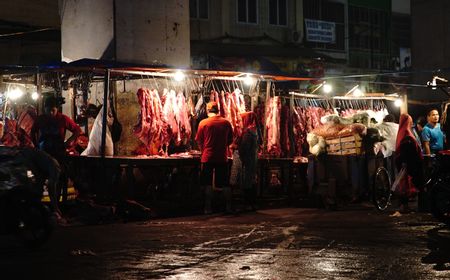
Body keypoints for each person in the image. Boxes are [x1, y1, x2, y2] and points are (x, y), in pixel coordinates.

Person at [31, 96, 82, 214]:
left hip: (58, 154)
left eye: (53, 110)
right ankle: (40, 207)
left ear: (57, 109)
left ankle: (57, 206)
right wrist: (36, 145)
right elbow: (33, 131)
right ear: (44, 108)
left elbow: (77, 130)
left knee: (57, 179)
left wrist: (68, 142)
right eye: (48, 110)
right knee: (40, 179)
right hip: (43, 154)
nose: (50, 112)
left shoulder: (63, 119)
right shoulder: (41, 119)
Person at [195, 101, 233, 214]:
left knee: (207, 183)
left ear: (207, 111)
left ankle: (208, 208)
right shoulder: (226, 123)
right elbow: (230, 140)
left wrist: (204, 150)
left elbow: (199, 140)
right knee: (225, 183)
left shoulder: (203, 123)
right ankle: (229, 207)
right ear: (218, 110)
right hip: (222, 157)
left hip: (207, 157)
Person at [395, 114, 424, 213]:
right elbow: (407, 149)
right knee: (408, 183)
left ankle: (404, 206)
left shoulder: (401, 132)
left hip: (403, 162)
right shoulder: (407, 133)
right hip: (409, 163)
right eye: (410, 121)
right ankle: (405, 206)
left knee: (404, 184)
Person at [238, 112, 260, 211]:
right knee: (252, 181)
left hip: (248, 160)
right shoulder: (255, 131)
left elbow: (244, 148)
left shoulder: (248, 133)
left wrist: (237, 148)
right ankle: (253, 203)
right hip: (253, 159)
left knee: (247, 182)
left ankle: (248, 204)